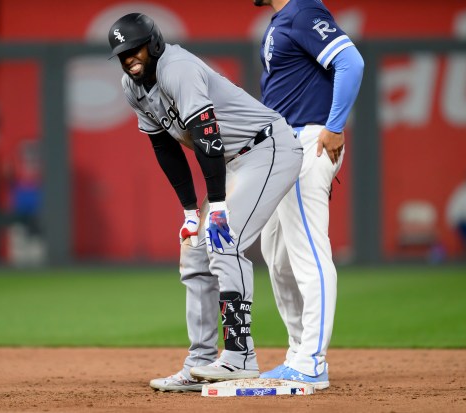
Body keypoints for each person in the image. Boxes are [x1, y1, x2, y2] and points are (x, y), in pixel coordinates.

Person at [107, 13, 304, 392]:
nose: (129, 57)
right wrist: (187, 212)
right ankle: (199, 364)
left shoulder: (176, 67)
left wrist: (216, 207)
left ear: (155, 43)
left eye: (135, 48)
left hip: (267, 148)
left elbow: (206, 134)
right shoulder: (132, 87)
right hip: (233, 163)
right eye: (122, 53)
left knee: (222, 239)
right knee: (196, 252)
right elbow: (164, 147)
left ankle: (240, 355)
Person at [252, 0, 364, 390]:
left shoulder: (302, 11)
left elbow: (351, 62)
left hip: (306, 142)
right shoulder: (284, 18)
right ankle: (298, 353)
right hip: (283, 149)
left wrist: (334, 126)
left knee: (308, 253)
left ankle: (311, 362)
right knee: (278, 256)